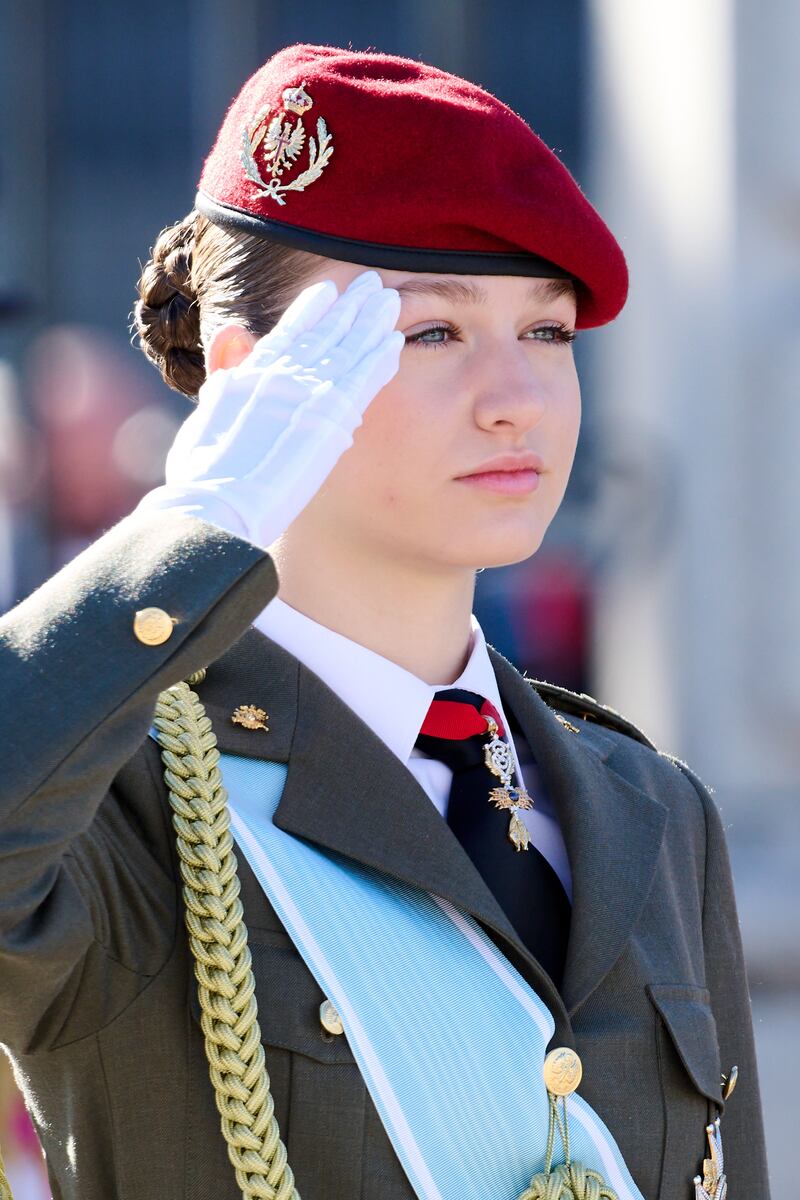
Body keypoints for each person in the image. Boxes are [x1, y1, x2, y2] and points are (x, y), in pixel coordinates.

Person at [0, 42, 768, 1200]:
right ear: (248, 373)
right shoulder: (115, 794)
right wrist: (193, 531)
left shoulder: (645, 808)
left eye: (547, 332)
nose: (516, 398)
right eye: (430, 334)